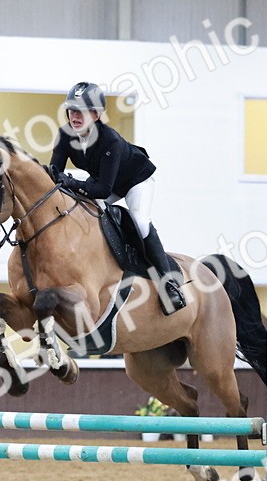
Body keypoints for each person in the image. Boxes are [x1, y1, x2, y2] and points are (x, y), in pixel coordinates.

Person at [48, 82, 185, 314]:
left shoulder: (109, 139)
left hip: (136, 180)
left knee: (140, 221)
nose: (75, 116)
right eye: (71, 110)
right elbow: (54, 174)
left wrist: (71, 182)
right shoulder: (65, 134)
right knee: (81, 213)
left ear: (96, 115)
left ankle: (169, 282)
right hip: (103, 180)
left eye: (81, 111)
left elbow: (103, 190)